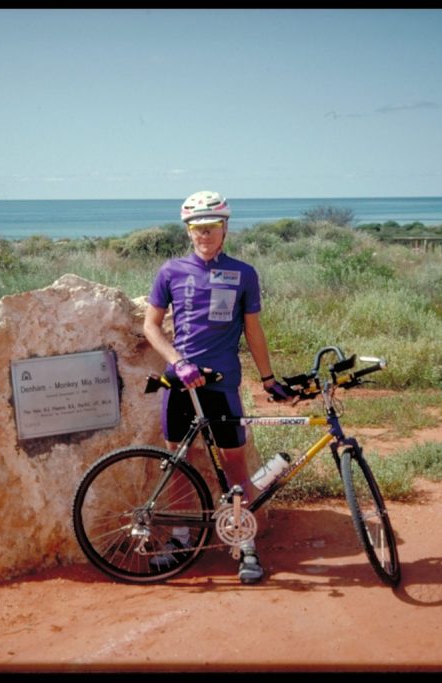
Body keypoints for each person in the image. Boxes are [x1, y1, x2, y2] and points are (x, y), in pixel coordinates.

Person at [143, 190, 291, 585]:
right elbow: (150, 326)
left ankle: (245, 544)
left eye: (210, 228)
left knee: (235, 463)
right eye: (196, 229)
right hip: (181, 383)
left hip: (223, 383)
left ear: (225, 228)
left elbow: (253, 330)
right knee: (178, 462)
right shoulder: (171, 271)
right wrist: (177, 362)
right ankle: (179, 537)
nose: (203, 236)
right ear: (188, 231)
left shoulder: (244, 273)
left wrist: (269, 378)